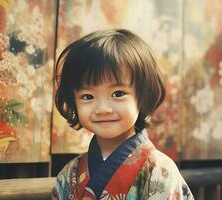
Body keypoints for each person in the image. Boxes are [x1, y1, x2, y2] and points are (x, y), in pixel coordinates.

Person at [52, 29, 194, 199]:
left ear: (142, 96)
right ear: (74, 102)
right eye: (88, 96)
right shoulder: (70, 174)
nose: (103, 108)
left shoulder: (159, 170)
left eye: (118, 94)